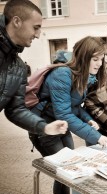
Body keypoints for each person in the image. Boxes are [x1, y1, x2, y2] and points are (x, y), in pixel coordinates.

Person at [29, 36, 107, 194]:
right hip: (44, 128)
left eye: (101, 59)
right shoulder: (62, 74)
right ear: (83, 56)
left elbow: (73, 107)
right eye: (95, 59)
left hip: (61, 126)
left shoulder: (83, 75)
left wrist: (87, 119)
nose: (99, 63)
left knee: (68, 171)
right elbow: (64, 113)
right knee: (64, 172)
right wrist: (96, 136)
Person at [0, 0, 67, 137]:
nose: (38, 35)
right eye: (35, 27)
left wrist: (44, 127)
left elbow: (16, 109)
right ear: (17, 22)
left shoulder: (19, 67)